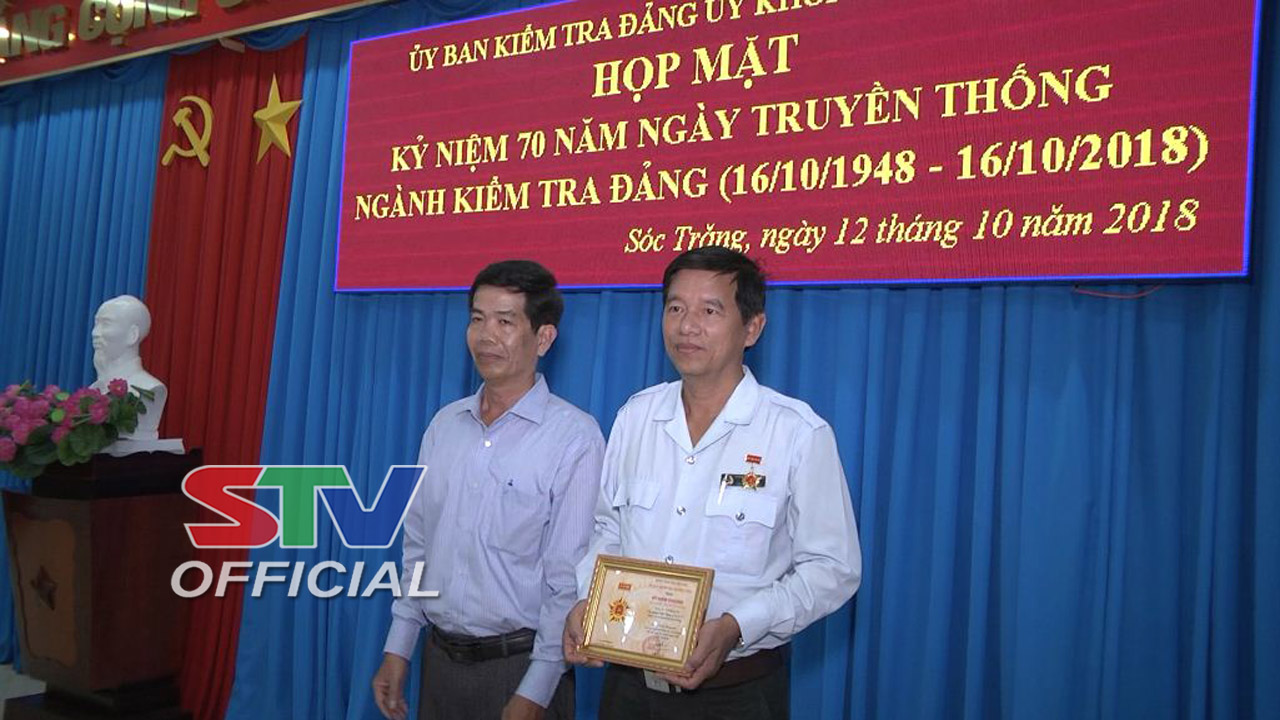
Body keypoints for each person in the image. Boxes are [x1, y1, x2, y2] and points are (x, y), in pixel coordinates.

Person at [563, 247, 862, 719]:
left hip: (736, 693)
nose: (687, 326)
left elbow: (832, 568)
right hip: (628, 690)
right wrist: (590, 599)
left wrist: (738, 625)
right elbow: (607, 530)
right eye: (675, 308)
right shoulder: (636, 417)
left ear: (752, 328)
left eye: (709, 311)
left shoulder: (796, 433)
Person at [373, 260, 605, 720]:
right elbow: (418, 546)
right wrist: (399, 645)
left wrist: (536, 691)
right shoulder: (444, 426)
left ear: (543, 338)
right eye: (477, 319)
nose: (485, 336)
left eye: (505, 322)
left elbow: (567, 579)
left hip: (521, 667)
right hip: (439, 662)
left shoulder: (575, 438)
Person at [89, 294, 167, 440]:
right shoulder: (94, 389)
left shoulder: (150, 388)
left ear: (132, 335)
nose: (95, 333)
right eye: (96, 324)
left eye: (106, 324)